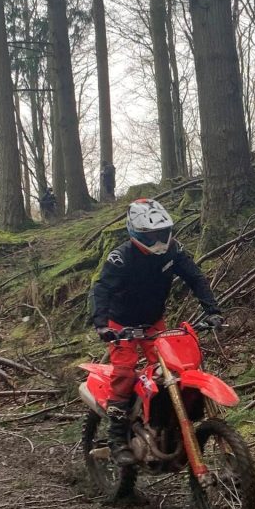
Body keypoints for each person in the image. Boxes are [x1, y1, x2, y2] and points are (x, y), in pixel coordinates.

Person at [89, 199, 223, 464]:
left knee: (170, 371)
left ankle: (165, 424)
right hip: (121, 324)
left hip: (153, 322)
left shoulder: (173, 250)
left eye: (162, 233)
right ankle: (117, 438)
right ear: (136, 233)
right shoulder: (121, 257)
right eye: (151, 235)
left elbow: (195, 277)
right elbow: (101, 289)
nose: (158, 240)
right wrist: (102, 325)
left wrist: (212, 310)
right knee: (125, 373)